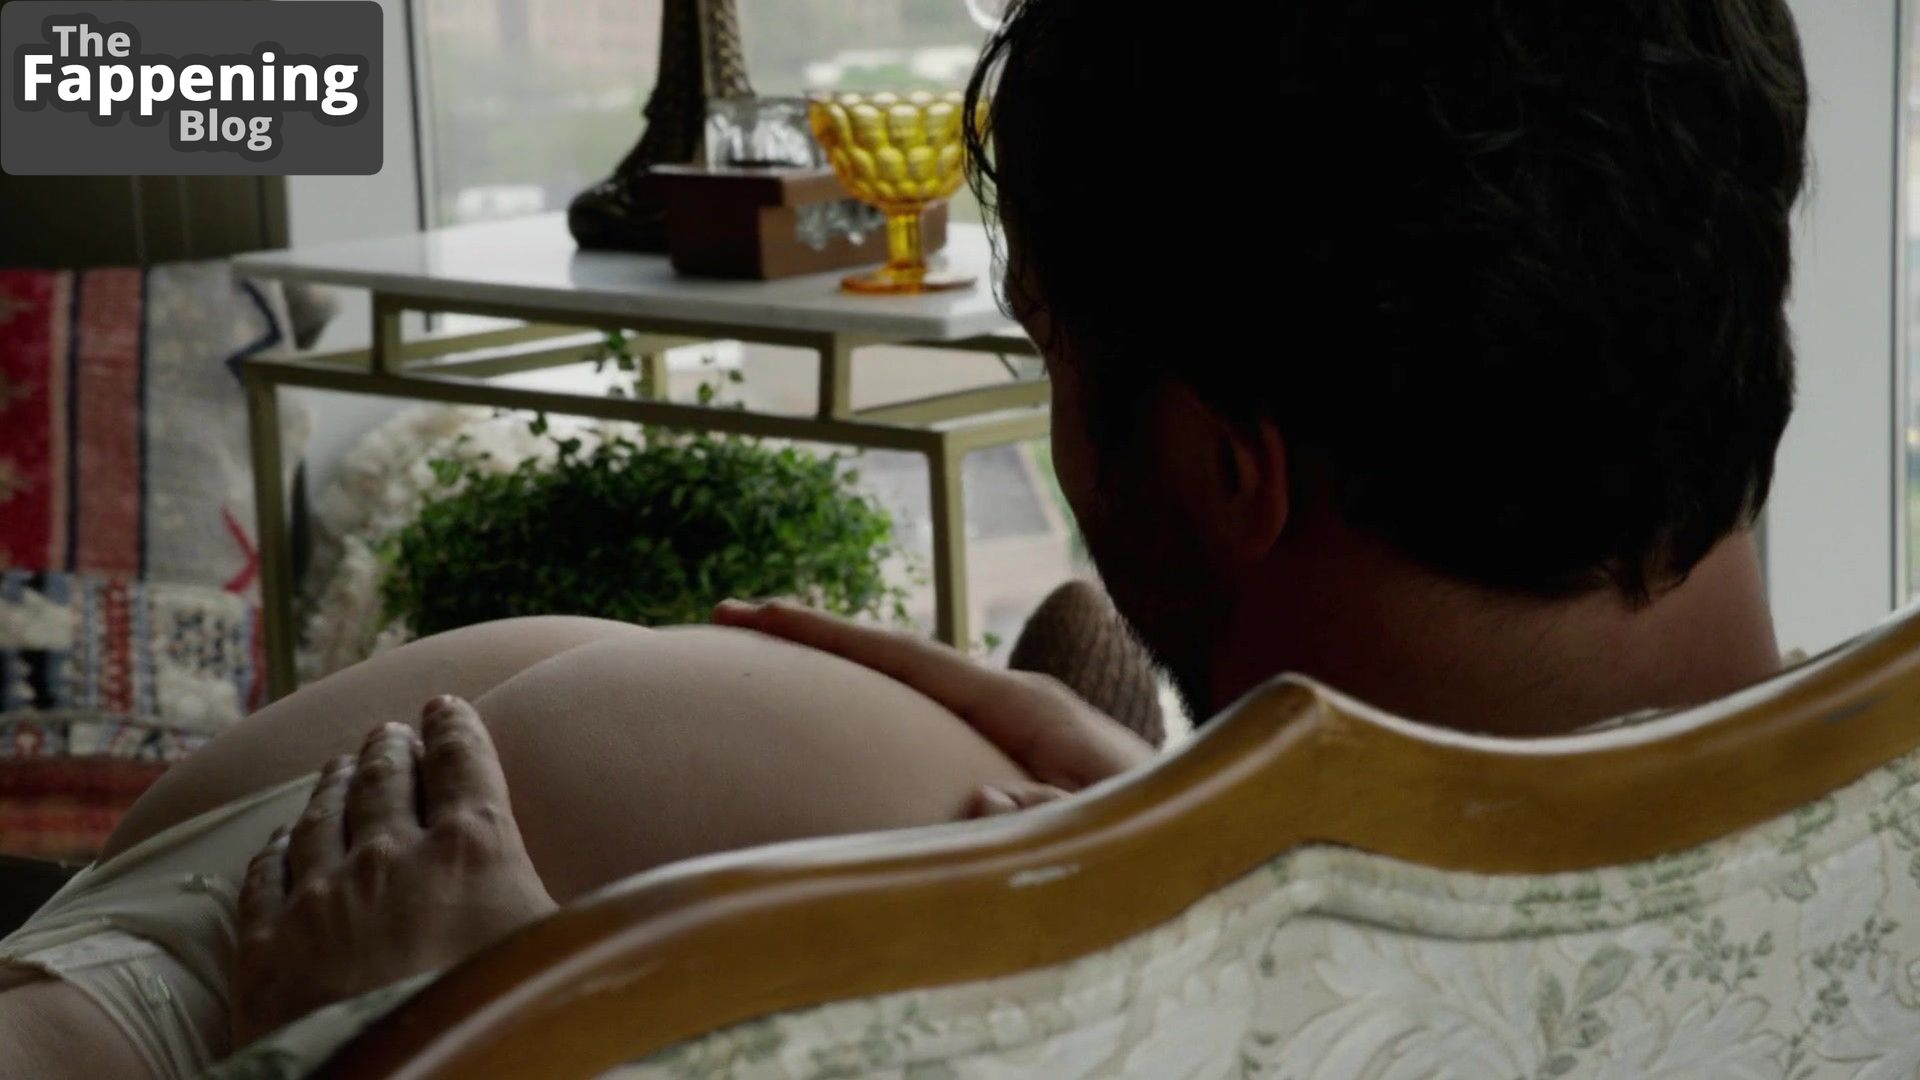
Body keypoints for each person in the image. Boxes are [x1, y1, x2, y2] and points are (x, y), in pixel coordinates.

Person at [0, 0, 1809, 1075]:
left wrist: (467, 1027)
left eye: (1055, 360)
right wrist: (1212, 812)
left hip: (245, 986)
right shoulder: (1843, 800)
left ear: (1228, 466)